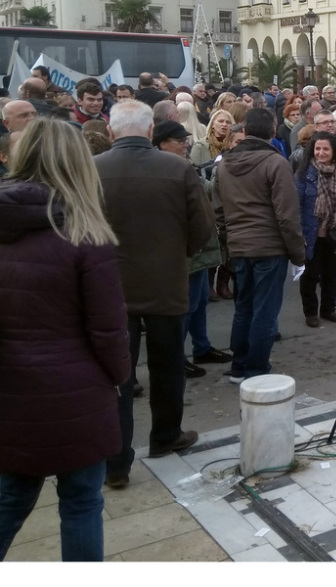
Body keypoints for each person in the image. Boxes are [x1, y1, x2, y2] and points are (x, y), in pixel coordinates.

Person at [0, 118, 130, 561]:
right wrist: (119, 377)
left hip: (12, 391)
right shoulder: (84, 234)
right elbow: (108, 329)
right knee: (81, 501)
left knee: (11, 497)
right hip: (78, 392)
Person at [95, 100, 214, 487]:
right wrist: (179, 254)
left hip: (110, 288)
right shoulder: (177, 168)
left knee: (117, 376)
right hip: (165, 284)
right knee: (167, 365)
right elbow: (202, 227)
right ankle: (165, 436)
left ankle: (116, 464)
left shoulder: (92, 169)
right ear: (150, 131)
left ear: (111, 131)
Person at [215, 108, 307, 382]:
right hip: (269, 246)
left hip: (240, 245)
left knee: (244, 307)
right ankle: (255, 368)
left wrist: (231, 238)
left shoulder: (224, 164)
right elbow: (287, 215)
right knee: (264, 310)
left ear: (245, 130)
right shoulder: (275, 162)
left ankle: (239, 365)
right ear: (273, 129)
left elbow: (219, 211)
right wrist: (298, 255)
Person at [152, 120, 231, 378]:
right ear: (162, 143)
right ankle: (178, 358)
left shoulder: (183, 165)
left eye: (185, 139)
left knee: (200, 300)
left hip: (199, 246)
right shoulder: (163, 169)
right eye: (179, 141)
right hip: (186, 248)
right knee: (188, 304)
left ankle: (202, 347)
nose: (185, 144)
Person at [295, 131, 336, 328]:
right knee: (309, 274)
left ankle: (328, 308)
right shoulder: (304, 173)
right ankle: (310, 312)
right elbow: (297, 204)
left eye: (326, 149)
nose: (321, 153)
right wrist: (300, 232)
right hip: (311, 232)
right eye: (317, 149)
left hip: (334, 230)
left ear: (334, 151)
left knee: (331, 273)